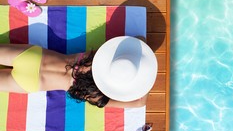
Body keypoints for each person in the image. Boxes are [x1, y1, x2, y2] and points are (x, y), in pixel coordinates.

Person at [0, 36, 157, 108]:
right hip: (31, 82)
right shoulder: (95, 95)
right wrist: (142, 84)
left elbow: (139, 40)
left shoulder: (98, 59)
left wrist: (144, 71)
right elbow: (139, 102)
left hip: (34, 58)